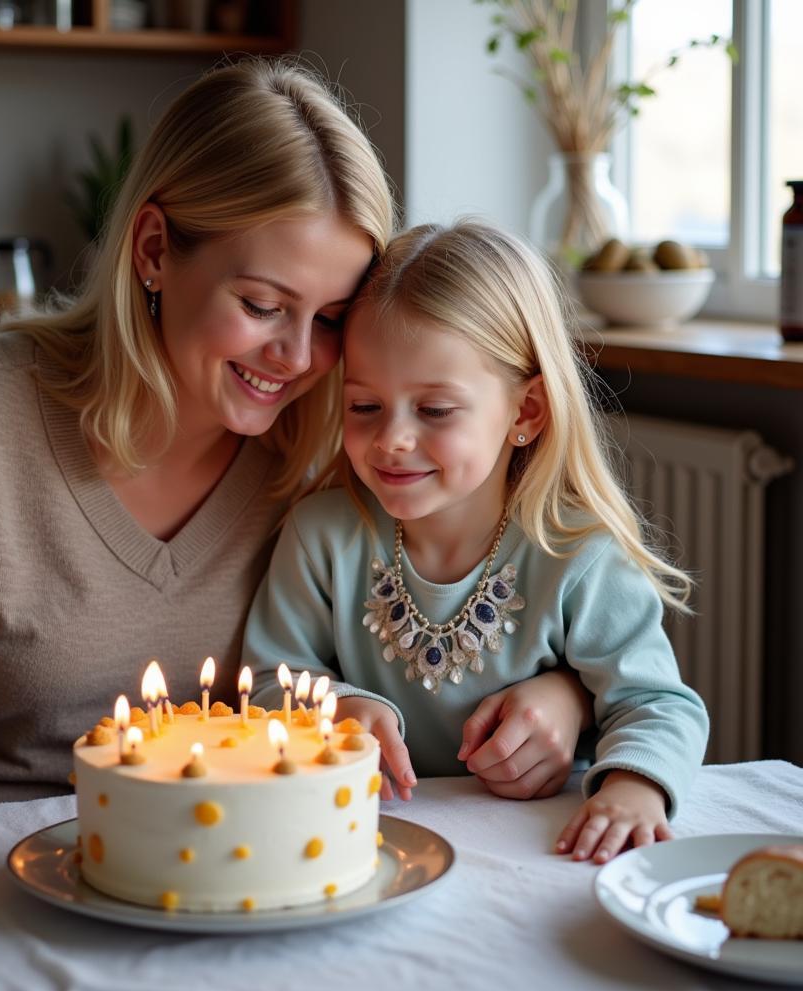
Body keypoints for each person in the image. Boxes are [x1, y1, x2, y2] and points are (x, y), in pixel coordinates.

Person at [0, 62, 586, 857]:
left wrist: (567, 695)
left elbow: (447, 648)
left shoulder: (333, 451)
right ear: (157, 249)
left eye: (333, 318)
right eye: (263, 306)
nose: (300, 357)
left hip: (220, 870)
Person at [244, 219, 709, 864]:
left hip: (532, 853)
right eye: (364, 407)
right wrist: (342, 707)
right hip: (364, 850)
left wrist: (633, 789)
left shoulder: (579, 555)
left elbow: (657, 704)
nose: (391, 441)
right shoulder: (322, 537)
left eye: (434, 410)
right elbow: (269, 677)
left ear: (525, 412)